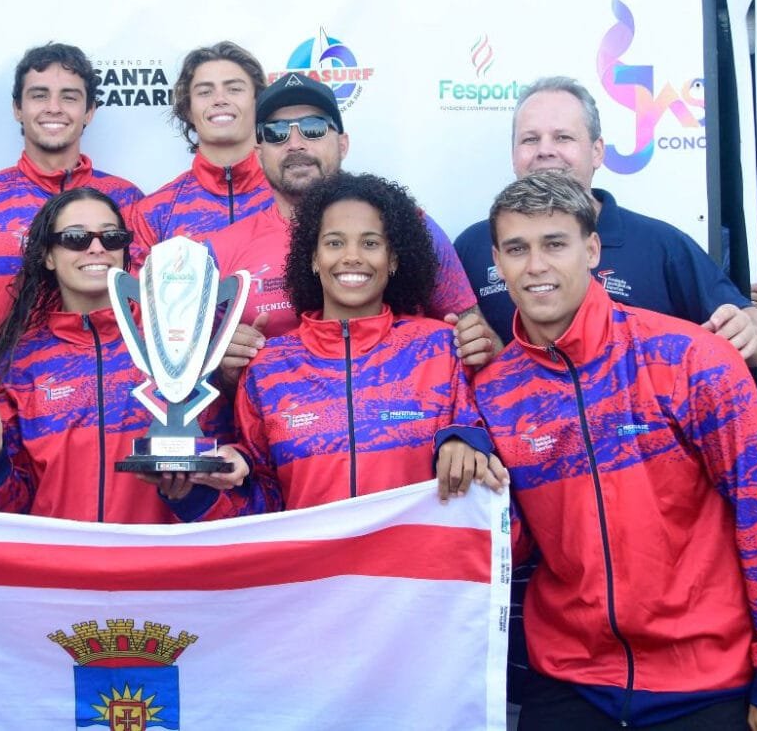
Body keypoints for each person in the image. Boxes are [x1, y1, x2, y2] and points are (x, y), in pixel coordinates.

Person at [473, 171, 757, 730]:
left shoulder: (690, 359)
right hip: (568, 682)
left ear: (592, 249)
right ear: (497, 262)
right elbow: (509, 543)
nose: (535, 265)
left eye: (554, 243)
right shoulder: (494, 392)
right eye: (517, 248)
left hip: (706, 683)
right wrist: (462, 456)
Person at [155, 172, 507, 521]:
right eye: (335, 243)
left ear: (394, 259)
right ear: (312, 257)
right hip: (312, 576)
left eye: (370, 243)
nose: (352, 257)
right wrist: (195, 495)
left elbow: (490, 447)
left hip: (414, 575)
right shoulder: (267, 370)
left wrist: (468, 442)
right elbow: (263, 510)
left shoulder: (440, 348)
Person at [0, 187, 224, 523]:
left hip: (160, 566)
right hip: (60, 568)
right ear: (48, 255)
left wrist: (193, 492)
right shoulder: (20, 365)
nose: (96, 247)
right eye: (75, 237)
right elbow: (8, 512)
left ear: (125, 251)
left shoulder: (179, 342)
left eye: (111, 237)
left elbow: (227, 484)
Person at [454, 75, 757, 367]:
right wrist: (467, 343)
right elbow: (435, 343)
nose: (545, 151)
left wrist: (751, 331)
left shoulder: (661, 245)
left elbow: (756, 332)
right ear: (513, 155)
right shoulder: (473, 246)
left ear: (597, 151)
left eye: (563, 137)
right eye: (530, 139)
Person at [205, 72, 500, 380]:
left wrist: (476, 348)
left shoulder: (408, 224)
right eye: (277, 132)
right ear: (258, 152)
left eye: (313, 128)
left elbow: (479, 339)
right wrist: (226, 371)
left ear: (343, 144)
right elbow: (199, 390)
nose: (295, 144)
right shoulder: (223, 251)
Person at [0, 43, 143, 349]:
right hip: (5, 392)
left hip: (112, 389)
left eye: (69, 97)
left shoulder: (129, 201)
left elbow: (142, 312)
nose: (54, 108)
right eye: (39, 95)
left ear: (89, 111)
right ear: (17, 108)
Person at [124, 41, 274, 264]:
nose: (220, 100)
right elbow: (137, 297)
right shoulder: (154, 212)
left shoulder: (290, 196)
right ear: (188, 109)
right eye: (205, 92)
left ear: (258, 102)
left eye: (234, 89)